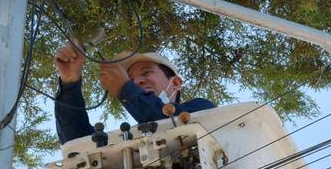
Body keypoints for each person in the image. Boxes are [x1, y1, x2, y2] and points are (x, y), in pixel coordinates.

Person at [53, 42, 216, 143]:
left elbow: (173, 125)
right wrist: (69, 83)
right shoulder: (128, 139)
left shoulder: (201, 107)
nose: (137, 81)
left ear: (175, 83)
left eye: (145, 73)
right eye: (130, 79)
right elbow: (76, 144)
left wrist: (126, 89)